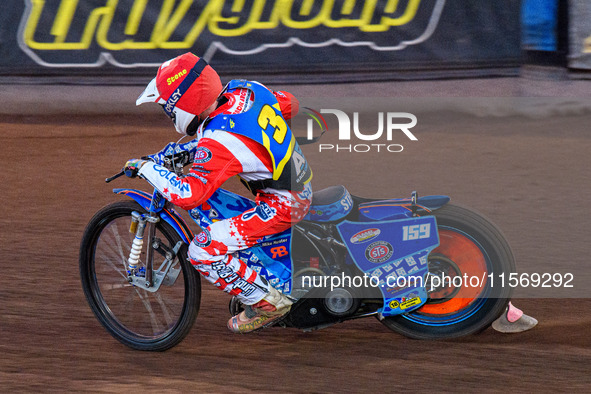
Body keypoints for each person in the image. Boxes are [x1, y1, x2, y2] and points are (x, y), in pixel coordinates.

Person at [126, 52, 313, 333]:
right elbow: (290, 104)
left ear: (184, 103)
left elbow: (188, 194)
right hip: (294, 184)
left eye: (168, 107)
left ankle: (267, 302)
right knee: (211, 208)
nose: (168, 114)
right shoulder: (245, 88)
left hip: (284, 205)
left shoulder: (218, 140)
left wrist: (146, 169)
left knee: (201, 250)